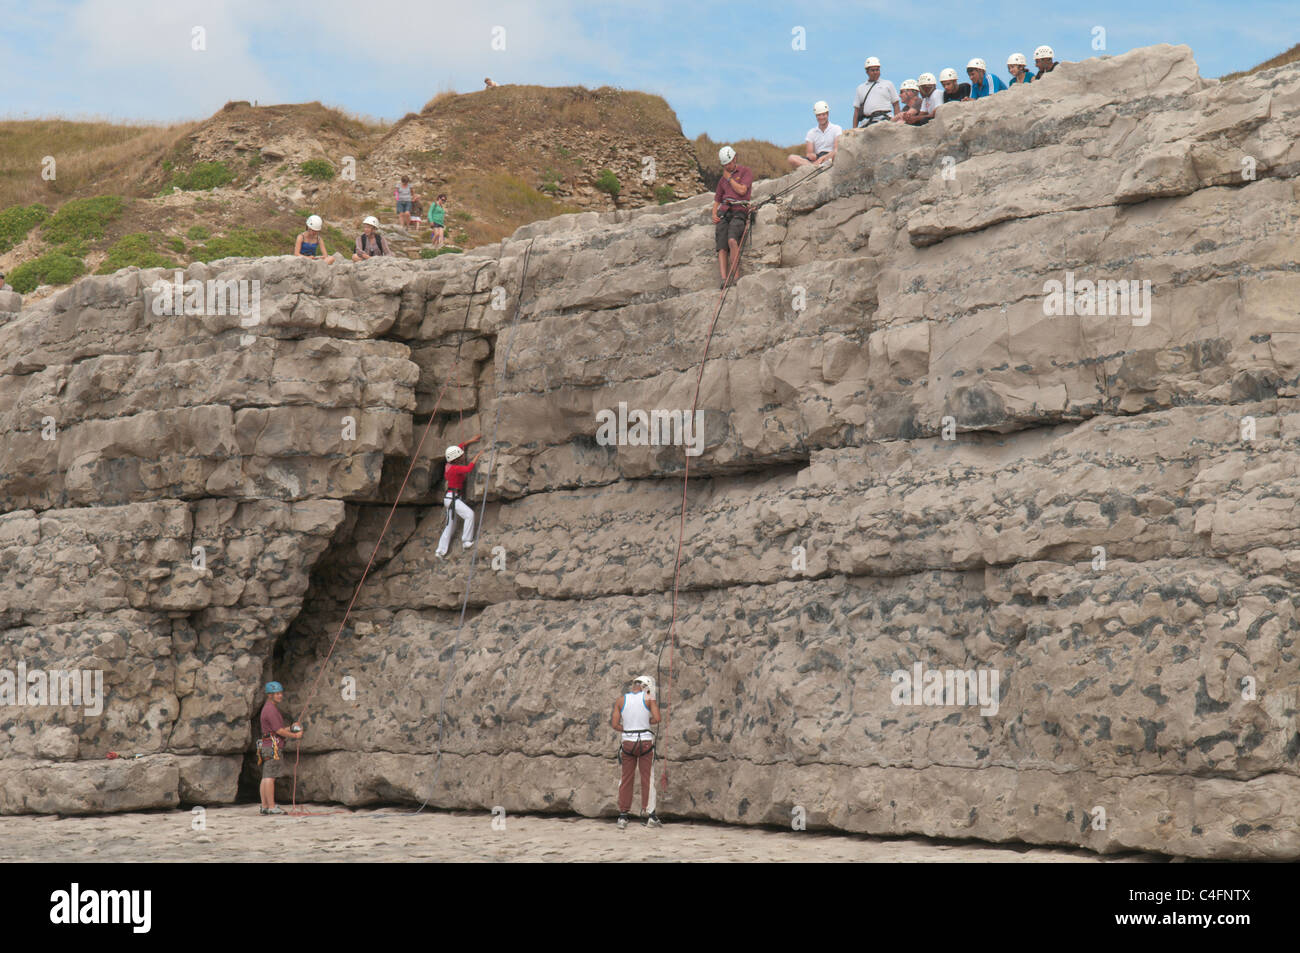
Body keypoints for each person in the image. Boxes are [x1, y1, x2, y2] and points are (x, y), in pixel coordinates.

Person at [612, 675, 661, 829]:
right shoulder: (648, 698)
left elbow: (614, 724)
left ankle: (623, 816)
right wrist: (646, 723)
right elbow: (657, 718)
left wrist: (627, 729)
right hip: (645, 741)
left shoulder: (621, 700)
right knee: (648, 778)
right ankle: (651, 815)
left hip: (628, 742)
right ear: (645, 686)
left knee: (626, 778)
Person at [711, 146, 753, 289]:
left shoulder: (745, 172)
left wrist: (729, 178)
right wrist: (714, 213)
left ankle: (735, 276)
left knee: (732, 240)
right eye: (725, 165)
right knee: (721, 246)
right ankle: (724, 278)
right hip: (725, 211)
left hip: (739, 210)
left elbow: (742, 191)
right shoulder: (722, 180)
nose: (727, 166)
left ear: (735, 158)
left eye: (729, 163)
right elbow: (717, 198)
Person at [258, 681, 303, 816]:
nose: (280, 696)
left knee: (266, 776)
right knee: (270, 777)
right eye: (277, 694)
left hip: (266, 745)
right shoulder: (271, 710)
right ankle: (271, 807)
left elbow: (277, 729)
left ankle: (265, 806)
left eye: (280, 693)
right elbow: (279, 731)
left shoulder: (268, 708)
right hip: (274, 747)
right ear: (270, 695)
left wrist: (291, 728)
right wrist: (295, 735)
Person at [436, 434, 483, 558]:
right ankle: (466, 541)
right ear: (456, 459)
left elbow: (459, 446)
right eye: (461, 455)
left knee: (450, 526)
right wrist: (477, 456)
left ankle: (440, 551)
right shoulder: (455, 469)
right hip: (453, 498)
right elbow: (468, 469)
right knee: (469, 514)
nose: (463, 455)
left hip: (451, 498)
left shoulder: (449, 465)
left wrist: (470, 441)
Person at [788, 101, 841, 168]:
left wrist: (822, 159)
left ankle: (815, 166)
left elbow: (836, 149)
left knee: (835, 152)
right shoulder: (811, 133)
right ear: (816, 116)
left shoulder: (836, 128)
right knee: (791, 158)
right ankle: (814, 167)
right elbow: (809, 153)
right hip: (817, 157)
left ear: (827, 114)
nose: (821, 117)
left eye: (823, 114)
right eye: (819, 115)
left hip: (830, 156)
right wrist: (811, 155)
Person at [852, 56, 900, 129]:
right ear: (867, 72)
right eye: (872, 70)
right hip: (867, 123)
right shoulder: (860, 88)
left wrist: (897, 124)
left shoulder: (888, 84)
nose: (875, 72)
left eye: (877, 70)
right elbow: (856, 111)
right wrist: (854, 129)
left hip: (885, 120)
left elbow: (896, 104)